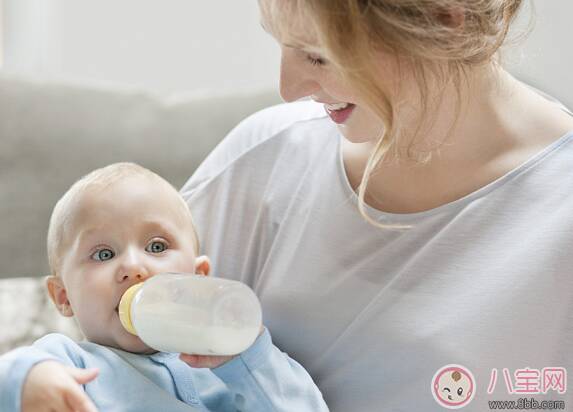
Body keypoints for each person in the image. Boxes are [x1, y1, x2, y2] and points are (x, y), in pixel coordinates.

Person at [180, 0, 573, 410]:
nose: (289, 88)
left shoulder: (560, 215)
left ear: (443, 23)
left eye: (319, 56)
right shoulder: (265, 157)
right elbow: (126, 351)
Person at [0, 162, 328, 412]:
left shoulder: (229, 363)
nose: (133, 267)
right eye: (104, 254)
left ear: (198, 276)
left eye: (156, 247)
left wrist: (251, 358)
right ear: (63, 296)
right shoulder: (68, 361)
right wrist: (25, 380)